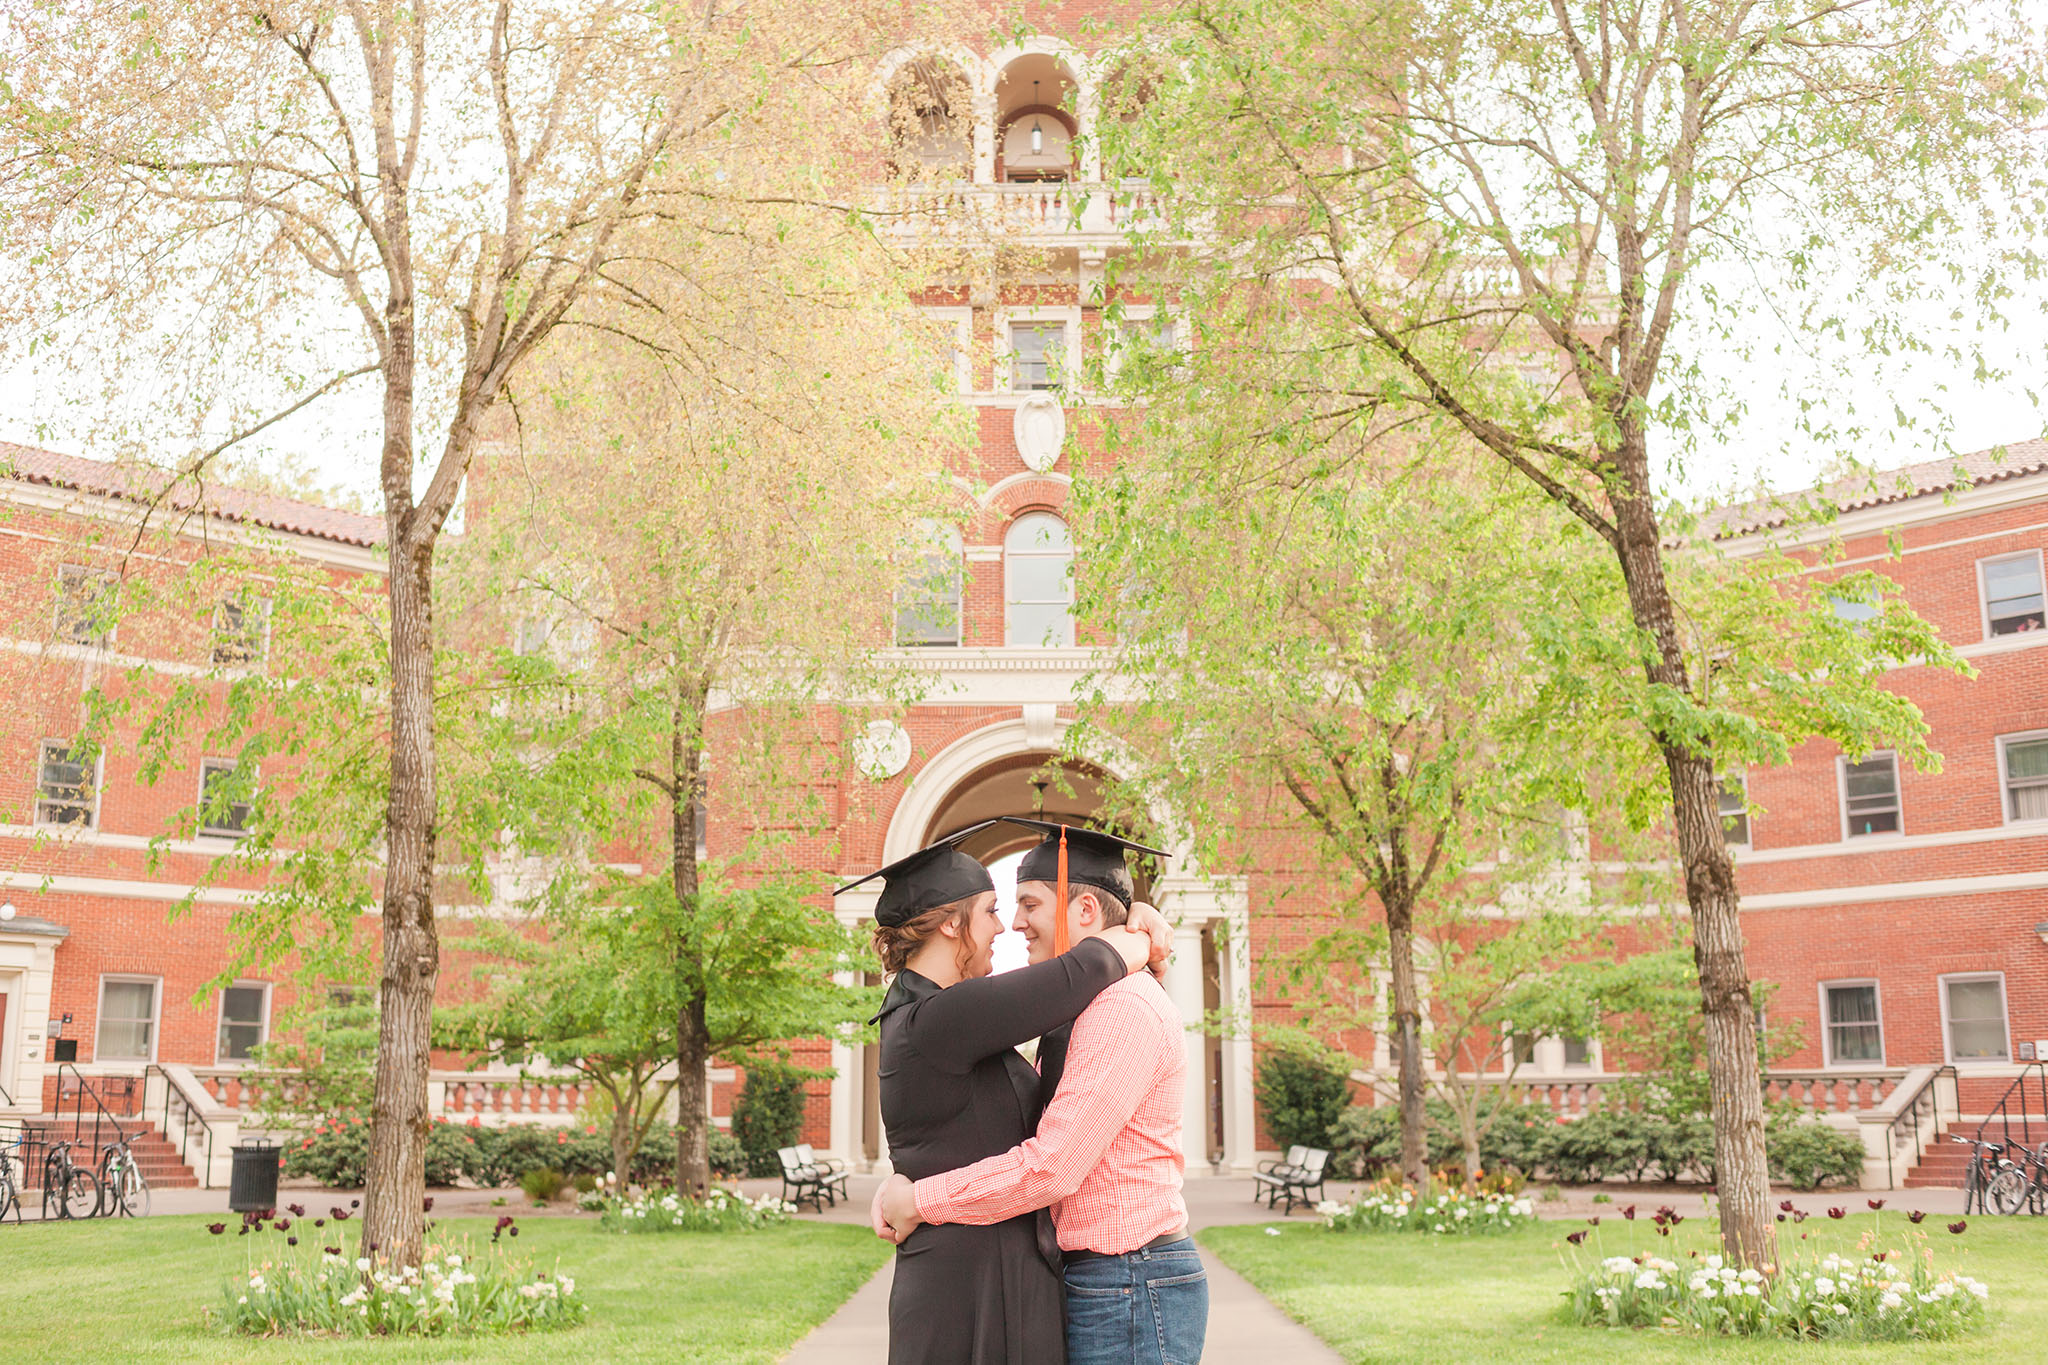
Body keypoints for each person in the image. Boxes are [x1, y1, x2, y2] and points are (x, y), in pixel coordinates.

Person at [874, 821, 1207, 1365]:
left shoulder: (1118, 1008)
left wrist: (918, 1195)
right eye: (995, 909)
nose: (1012, 925)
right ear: (952, 925)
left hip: (1128, 1278)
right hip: (1090, 1278)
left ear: (1083, 913)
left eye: (1028, 903)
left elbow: (1050, 1165)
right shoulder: (945, 1015)